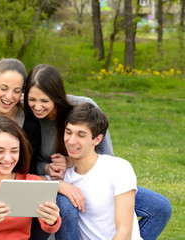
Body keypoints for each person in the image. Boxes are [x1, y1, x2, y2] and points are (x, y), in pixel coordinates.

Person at [23, 64, 172, 240]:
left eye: (44, 101)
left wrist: (72, 162)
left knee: (159, 206)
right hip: (64, 180)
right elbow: (34, 168)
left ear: (56, 97)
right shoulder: (30, 118)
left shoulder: (83, 107)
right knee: (67, 203)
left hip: (95, 177)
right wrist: (50, 170)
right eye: (32, 100)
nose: (38, 106)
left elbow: (106, 155)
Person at [61, 102, 142, 239]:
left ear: (97, 140)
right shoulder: (64, 175)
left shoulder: (118, 168)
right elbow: (32, 182)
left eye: (81, 135)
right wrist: (60, 184)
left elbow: (124, 232)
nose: (71, 140)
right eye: (68, 132)